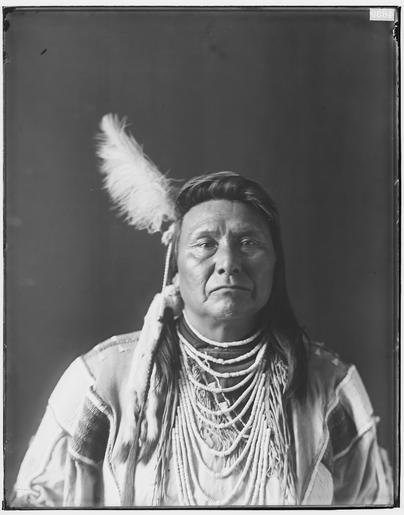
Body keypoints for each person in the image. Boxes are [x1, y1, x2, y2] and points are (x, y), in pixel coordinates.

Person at [11, 124, 392, 507]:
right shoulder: (104, 380)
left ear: (276, 264)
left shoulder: (330, 385)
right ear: (175, 267)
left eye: (249, 243)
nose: (228, 262)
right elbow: (38, 504)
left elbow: (373, 503)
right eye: (205, 244)